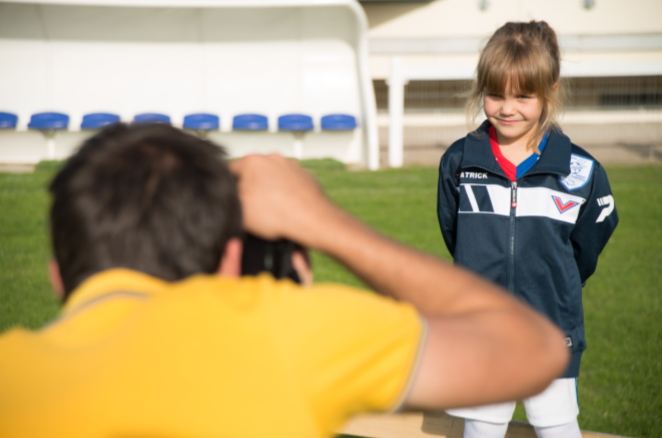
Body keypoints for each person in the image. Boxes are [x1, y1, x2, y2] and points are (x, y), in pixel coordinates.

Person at [0, 123, 568, 438]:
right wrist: (323, 224)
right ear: (229, 258)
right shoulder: (282, 331)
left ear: (58, 277)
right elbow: (530, 348)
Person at [437, 21, 619, 438]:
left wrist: (555, 284)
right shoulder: (459, 162)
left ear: (550, 89)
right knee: (482, 428)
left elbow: (586, 248)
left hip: (551, 331)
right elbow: (455, 232)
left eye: (523, 95)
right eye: (495, 94)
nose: (507, 108)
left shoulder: (582, 173)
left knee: (556, 428)